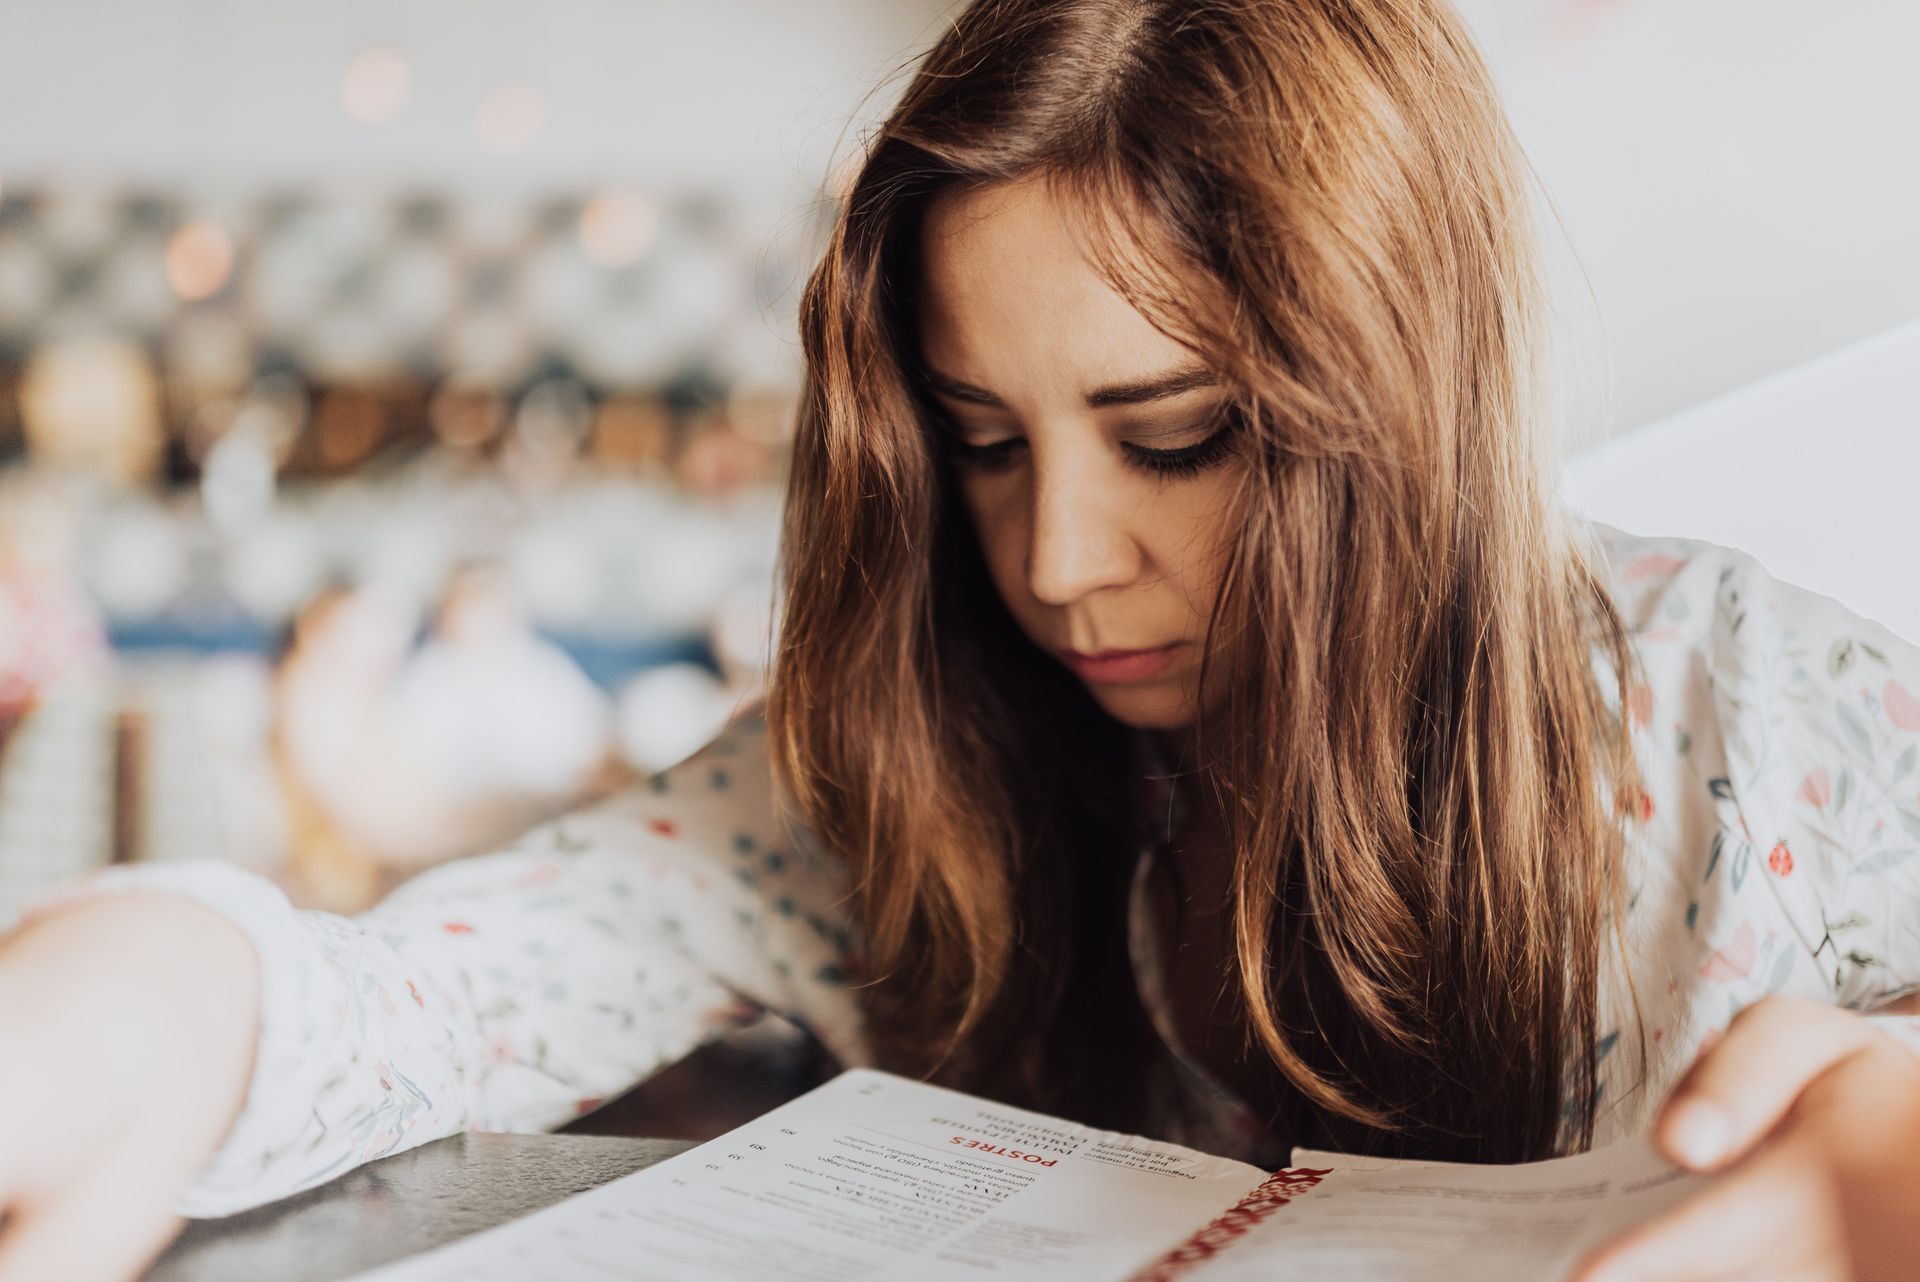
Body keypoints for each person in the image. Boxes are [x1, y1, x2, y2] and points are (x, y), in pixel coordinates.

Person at [2, 2, 1918, 1279]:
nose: (1064, 560)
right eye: (982, 444)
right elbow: (448, 980)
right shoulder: (910, 758)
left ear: (1405, 403)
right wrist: (183, 977)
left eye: (1176, 437)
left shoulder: (1758, 703)